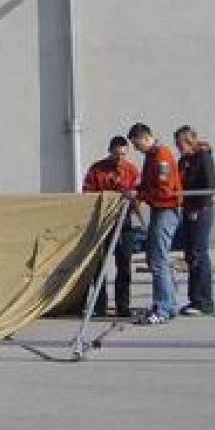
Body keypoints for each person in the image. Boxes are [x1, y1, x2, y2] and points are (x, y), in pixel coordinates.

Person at [127, 123, 182, 325]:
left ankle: (163, 308)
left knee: (158, 260)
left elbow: (165, 191)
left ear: (144, 138)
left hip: (166, 210)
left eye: (136, 144)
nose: (136, 149)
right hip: (158, 210)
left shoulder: (161, 157)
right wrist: (136, 190)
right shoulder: (151, 156)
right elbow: (150, 184)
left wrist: (140, 195)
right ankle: (169, 304)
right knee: (154, 258)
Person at [81, 136, 140, 318]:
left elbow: (139, 196)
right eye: (116, 154)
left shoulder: (131, 170)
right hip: (102, 223)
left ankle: (123, 306)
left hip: (124, 223)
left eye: (123, 154)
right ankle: (100, 306)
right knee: (99, 265)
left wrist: (128, 194)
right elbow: (87, 194)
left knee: (124, 265)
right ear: (110, 151)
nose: (119, 159)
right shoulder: (97, 169)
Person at [175, 126, 215, 316]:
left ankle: (204, 302)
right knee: (190, 255)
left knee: (199, 254)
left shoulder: (203, 157)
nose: (178, 148)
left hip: (201, 211)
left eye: (180, 144)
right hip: (187, 210)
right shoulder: (184, 161)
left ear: (189, 141)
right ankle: (194, 300)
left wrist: (197, 208)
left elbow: (210, 186)